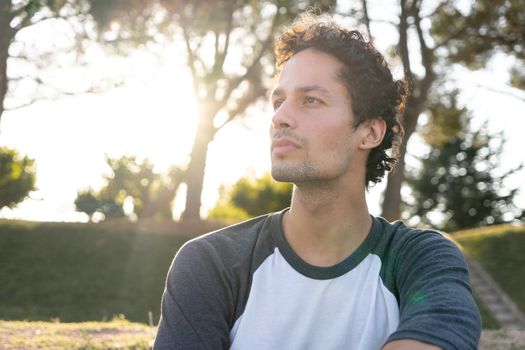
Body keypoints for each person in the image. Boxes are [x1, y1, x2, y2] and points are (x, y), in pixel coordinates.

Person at [153, 13, 481, 350]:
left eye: (311, 100)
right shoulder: (213, 263)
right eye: (279, 101)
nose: (279, 117)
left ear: (369, 132)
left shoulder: (421, 259)